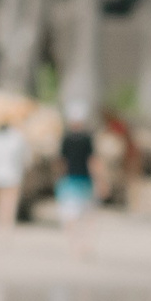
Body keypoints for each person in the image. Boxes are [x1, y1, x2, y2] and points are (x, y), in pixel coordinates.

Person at [56, 104, 99, 256]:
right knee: (86, 215)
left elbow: (61, 162)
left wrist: (59, 178)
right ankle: (84, 244)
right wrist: (99, 180)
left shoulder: (66, 139)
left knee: (70, 215)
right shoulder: (87, 139)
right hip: (84, 181)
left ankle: (73, 244)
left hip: (69, 180)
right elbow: (92, 161)